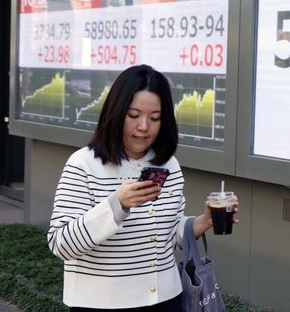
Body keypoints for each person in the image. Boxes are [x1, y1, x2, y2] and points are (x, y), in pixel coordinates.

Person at [48, 64, 236, 311]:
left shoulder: (168, 164)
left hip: (166, 300)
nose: (144, 126)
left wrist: (202, 222)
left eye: (155, 118)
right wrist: (118, 204)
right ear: (115, 113)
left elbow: (166, 234)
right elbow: (61, 243)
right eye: (133, 115)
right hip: (103, 304)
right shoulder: (83, 164)